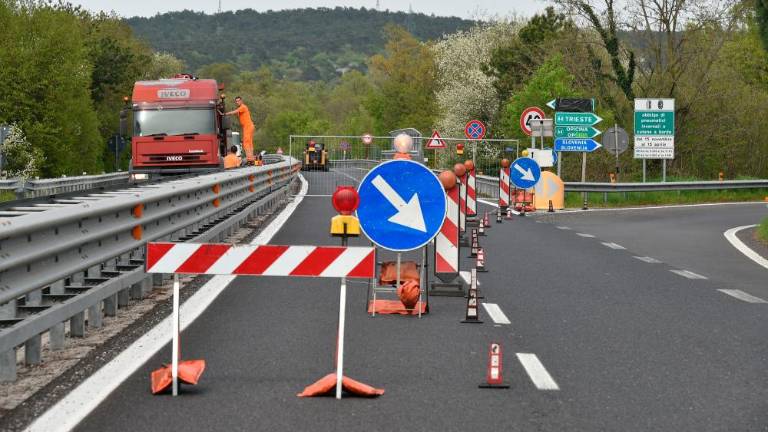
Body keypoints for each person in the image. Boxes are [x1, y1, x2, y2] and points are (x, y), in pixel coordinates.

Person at [223, 96, 255, 163]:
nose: (237, 102)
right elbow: (237, 113)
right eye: (236, 101)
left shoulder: (243, 107)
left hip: (248, 126)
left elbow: (235, 112)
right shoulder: (241, 108)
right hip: (248, 126)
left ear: (241, 101)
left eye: (238, 101)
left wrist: (226, 114)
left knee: (246, 143)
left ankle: (250, 159)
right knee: (249, 142)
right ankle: (251, 158)